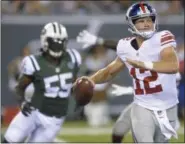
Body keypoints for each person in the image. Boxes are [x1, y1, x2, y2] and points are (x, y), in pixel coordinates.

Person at [75, 2, 179, 143]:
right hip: (143, 106)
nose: (147, 24)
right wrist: (91, 80)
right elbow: (109, 71)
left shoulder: (163, 38)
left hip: (168, 107)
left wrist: (144, 64)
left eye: (149, 20)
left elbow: (172, 65)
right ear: (132, 24)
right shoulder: (125, 46)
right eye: (141, 21)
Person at [3, 22, 82, 143]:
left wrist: (81, 91)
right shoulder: (33, 62)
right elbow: (19, 87)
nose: (58, 44)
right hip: (33, 112)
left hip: (55, 118)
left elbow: (74, 85)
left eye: (61, 41)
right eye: (54, 41)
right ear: (45, 41)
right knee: (9, 140)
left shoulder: (73, 58)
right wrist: (22, 102)